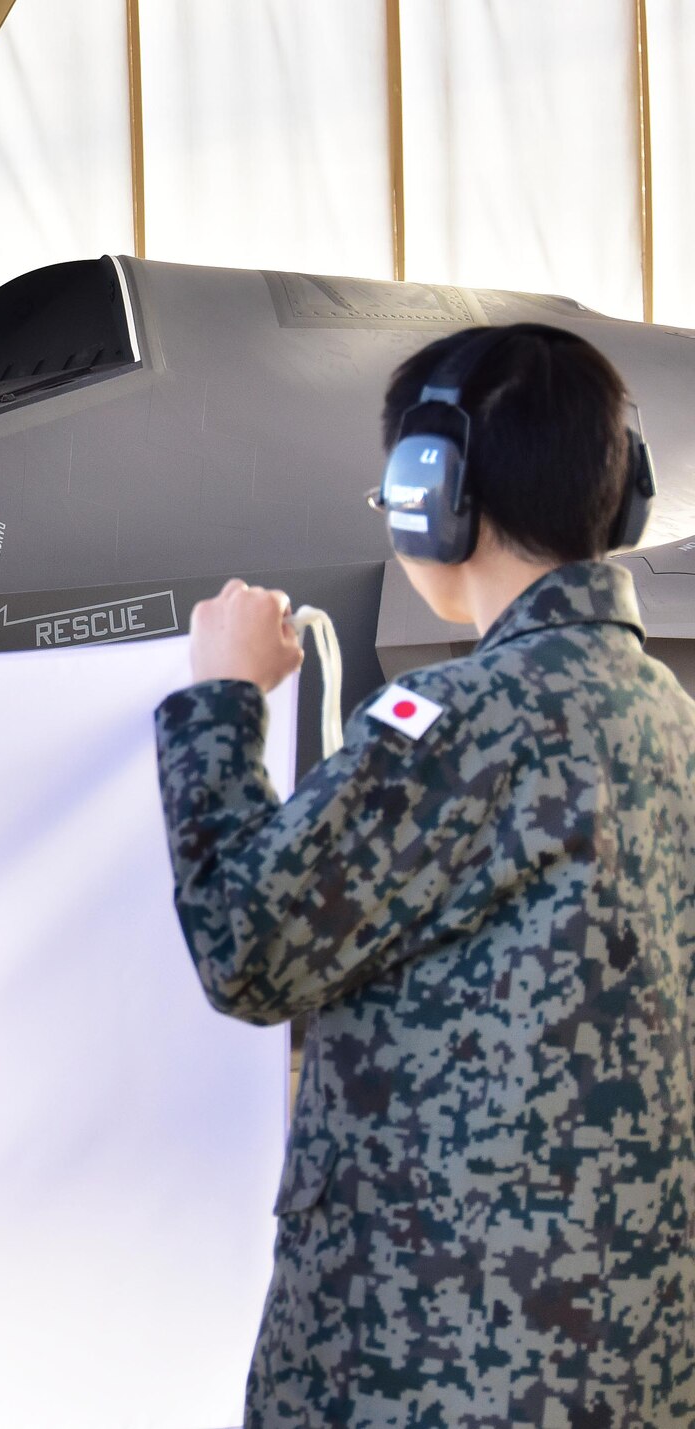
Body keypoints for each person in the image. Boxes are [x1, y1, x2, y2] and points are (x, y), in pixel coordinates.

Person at [154, 323, 695, 1425]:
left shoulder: (455, 720)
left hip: (445, 1357)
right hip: (624, 1348)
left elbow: (245, 946)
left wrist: (220, 700)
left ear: (429, 494)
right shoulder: (665, 714)